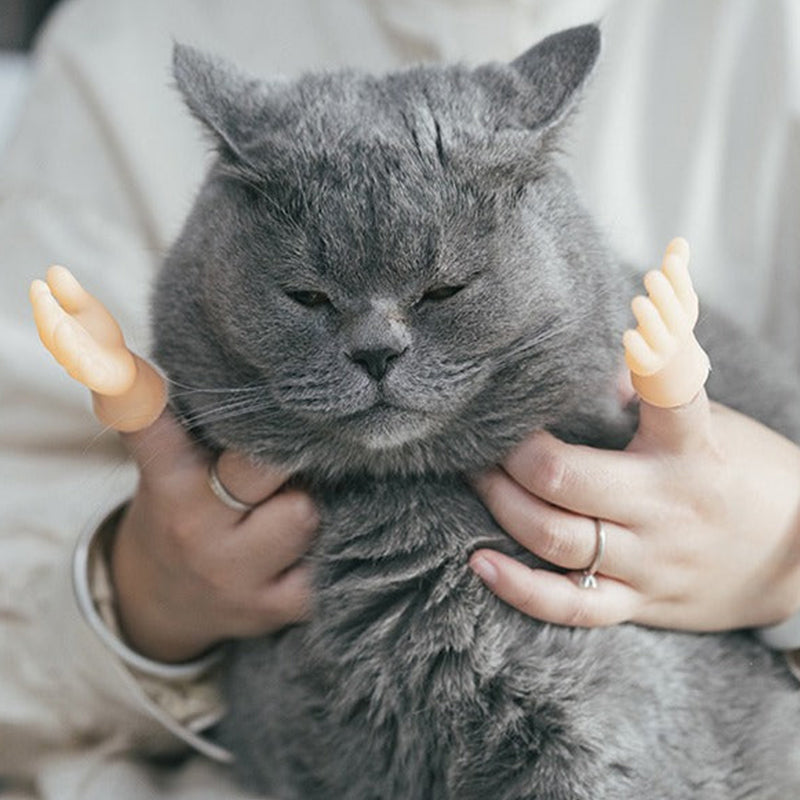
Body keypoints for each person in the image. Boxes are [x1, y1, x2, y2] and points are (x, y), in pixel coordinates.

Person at [1, 1, 799, 798]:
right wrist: (138, 593)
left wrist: (784, 555)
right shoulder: (122, 33)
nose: (378, 348)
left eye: (446, 290)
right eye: (309, 297)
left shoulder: (769, 27)